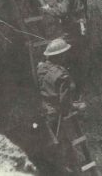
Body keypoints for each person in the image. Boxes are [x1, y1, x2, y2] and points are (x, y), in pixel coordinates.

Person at [41, 0, 87, 106]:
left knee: (63, 61)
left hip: (71, 31)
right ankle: (77, 96)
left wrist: (48, 9)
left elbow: (63, 11)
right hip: (78, 30)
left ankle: (68, 96)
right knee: (76, 63)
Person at [37, 38, 78, 176]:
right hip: (55, 114)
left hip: (42, 110)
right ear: (59, 56)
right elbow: (64, 102)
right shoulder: (62, 75)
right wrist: (73, 108)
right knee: (62, 147)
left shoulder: (40, 67)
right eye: (64, 53)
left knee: (47, 145)